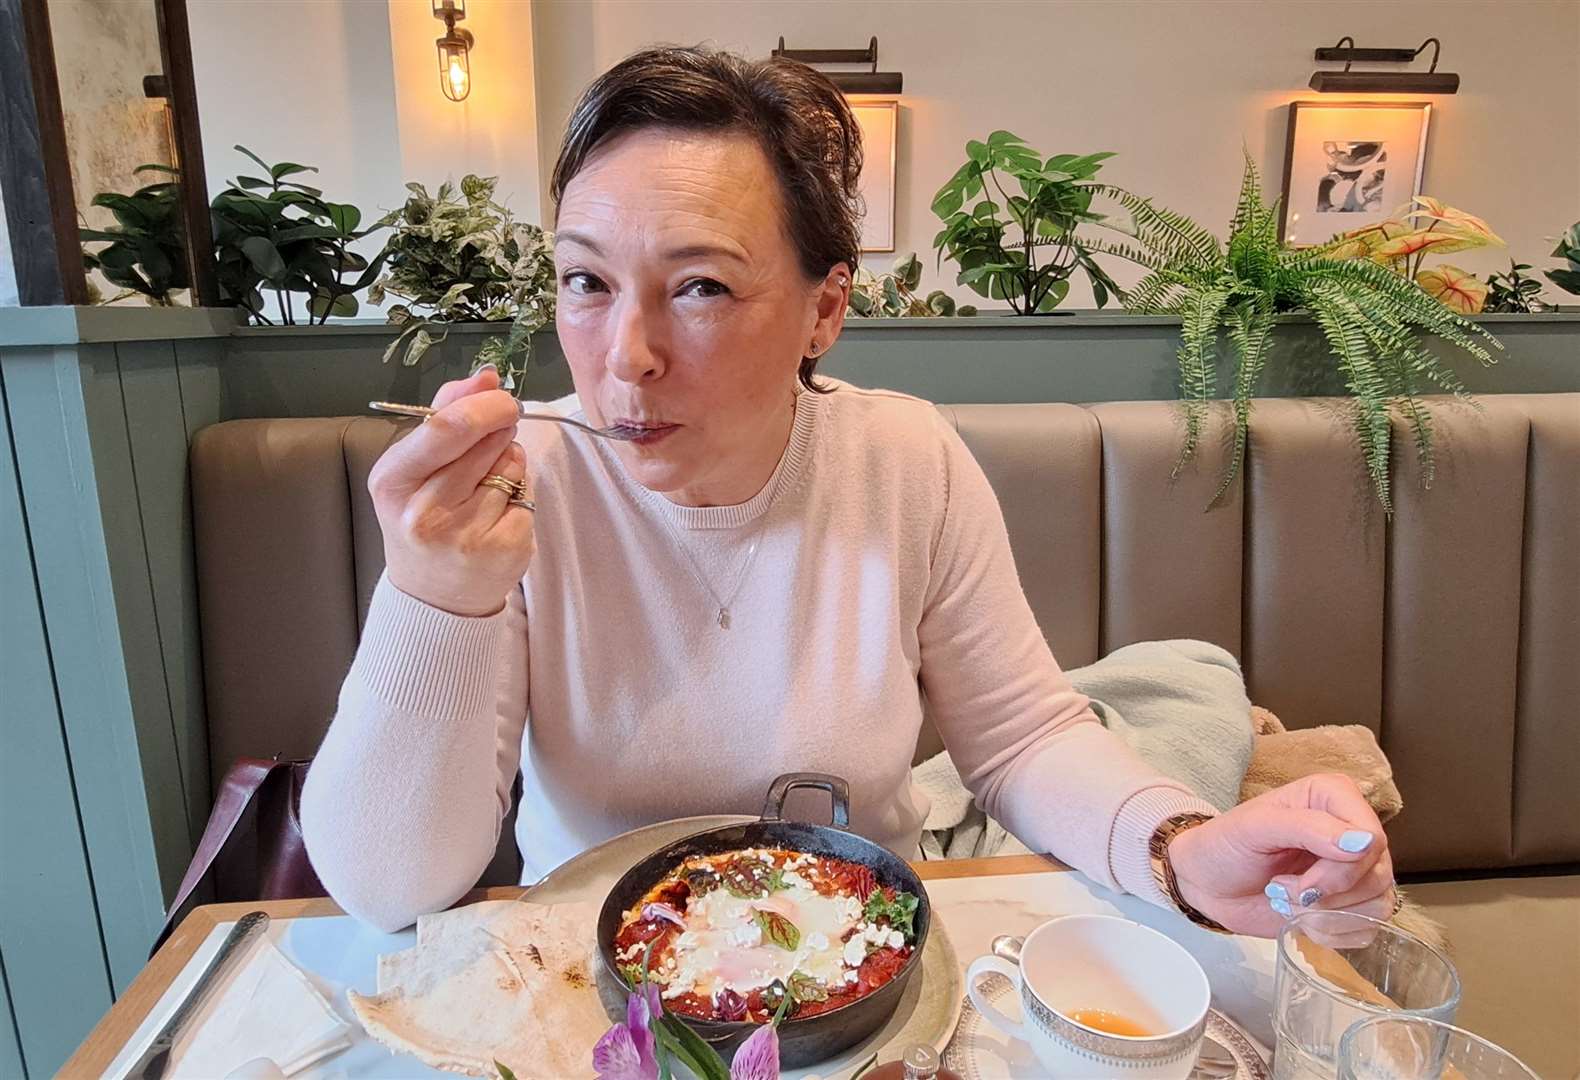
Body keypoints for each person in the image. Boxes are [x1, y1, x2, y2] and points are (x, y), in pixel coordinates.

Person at [301, 45, 1395, 937]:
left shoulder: (903, 461)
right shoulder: (510, 495)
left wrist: (1179, 850)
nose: (623, 355)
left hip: (861, 967)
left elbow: (1016, 738)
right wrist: (435, 594)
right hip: (594, 988)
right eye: (585, 281)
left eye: (699, 287)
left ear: (824, 311)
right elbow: (388, 889)